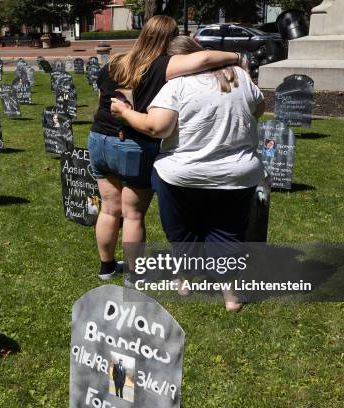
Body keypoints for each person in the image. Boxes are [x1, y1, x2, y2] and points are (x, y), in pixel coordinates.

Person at [111, 36, 266, 312]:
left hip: (183, 175)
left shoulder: (176, 85)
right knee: (228, 230)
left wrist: (125, 112)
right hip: (237, 174)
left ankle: (185, 279)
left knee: (182, 229)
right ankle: (231, 296)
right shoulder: (240, 77)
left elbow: (157, 127)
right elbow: (259, 109)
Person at [89, 15, 242, 282]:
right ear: (170, 39)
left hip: (98, 139)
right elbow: (204, 60)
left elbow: (101, 96)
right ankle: (134, 275)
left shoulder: (116, 61)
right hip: (134, 144)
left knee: (109, 209)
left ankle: (107, 267)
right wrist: (237, 56)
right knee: (133, 214)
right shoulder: (163, 65)